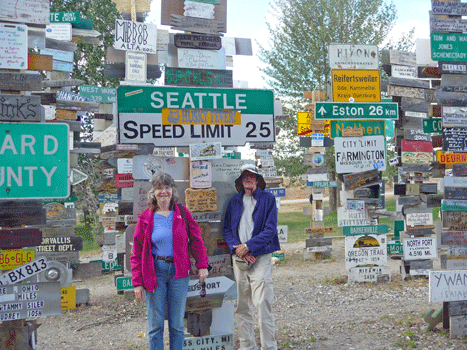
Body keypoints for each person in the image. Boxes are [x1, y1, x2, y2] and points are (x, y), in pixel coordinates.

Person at [131, 173, 210, 350]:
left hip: (178, 273)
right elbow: (136, 252)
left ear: (172, 190)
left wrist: (202, 265)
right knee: (156, 326)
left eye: (167, 188)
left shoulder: (182, 212)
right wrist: (137, 282)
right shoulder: (146, 218)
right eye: (159, 188)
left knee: (177, 325)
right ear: (153, 192)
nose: (164, 192)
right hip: (155, 273)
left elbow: (196, 240)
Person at [223, 164, 280, 350]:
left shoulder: (268, 199)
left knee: (263, 304)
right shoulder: (234, 201)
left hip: (260, 257)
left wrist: (249, 247)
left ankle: (268, 346)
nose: (248, 179)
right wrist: (238, 248)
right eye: (245, 176)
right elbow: (228, 230)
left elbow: (270, 230)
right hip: (239, 258)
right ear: (240, 180)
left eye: (252, 176)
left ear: (257, 179)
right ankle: (247, 346)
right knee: (242, 305)